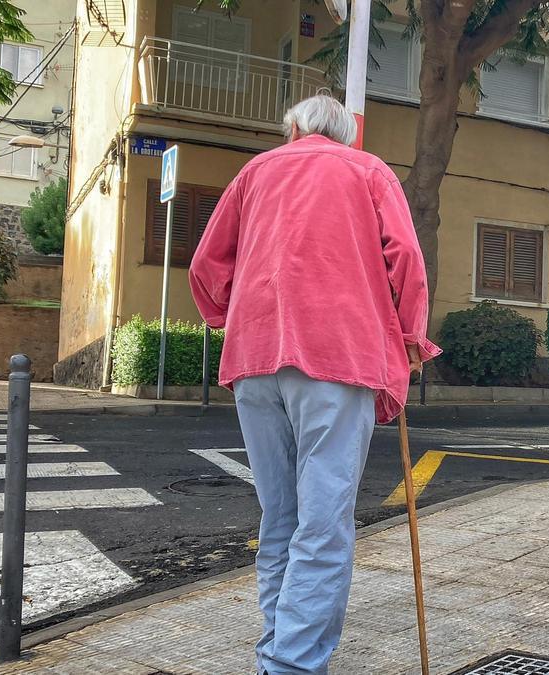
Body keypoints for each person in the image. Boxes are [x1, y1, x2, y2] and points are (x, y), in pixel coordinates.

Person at [189, 94, 439, 674]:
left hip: (254, 357)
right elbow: (405, 256)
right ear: (346, 133)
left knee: (281, 517)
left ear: (295, 128)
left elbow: (206, 265)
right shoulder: (368, 169)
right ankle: (291, 667)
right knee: (323, 525)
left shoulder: (254, 172)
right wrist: (410, 337)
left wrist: (232, 313)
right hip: (338, 356)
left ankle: (275, 654)